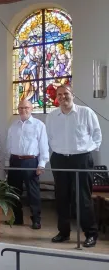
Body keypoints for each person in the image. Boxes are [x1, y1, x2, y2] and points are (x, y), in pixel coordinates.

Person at [46, 84, 101, 247]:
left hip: (81, 159)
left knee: (83, 198)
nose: (63, 97)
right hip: (59, 159)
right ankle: (63, 233)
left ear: (73, 95)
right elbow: (49, 136)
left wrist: (87, 149)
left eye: (66, 93)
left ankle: (91, 233)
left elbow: (97, 135)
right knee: (61, 197)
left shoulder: (86, 112)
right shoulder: (52, 115)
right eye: (59, 95)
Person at [5, 100, 48, 229]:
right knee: (14, 191)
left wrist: (42, 164)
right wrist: (7, 162)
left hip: (31, 161)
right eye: (20, 108)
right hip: (15, 161)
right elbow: (9, 145)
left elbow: (43, 145)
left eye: (26, 107)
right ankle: (17, 218)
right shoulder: (13, 125)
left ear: (31, 108)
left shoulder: (39, 125)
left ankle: (36, 219)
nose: (23, 110)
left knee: (33, 192)